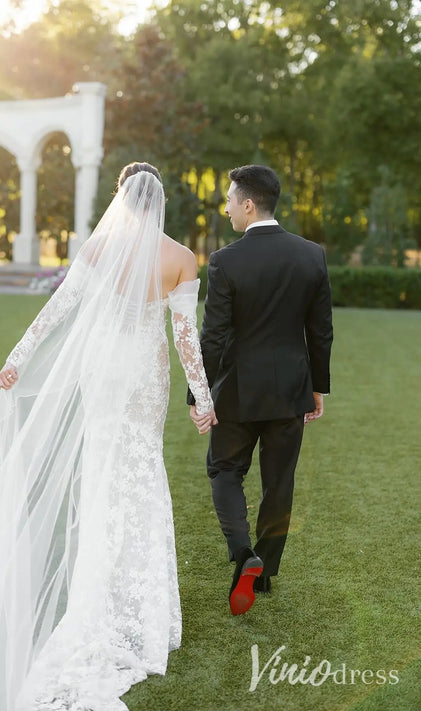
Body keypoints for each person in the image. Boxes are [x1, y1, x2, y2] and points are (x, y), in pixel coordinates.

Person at [0, 163, 216, 711]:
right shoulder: (180, 258)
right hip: (144, 377)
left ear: (121, 199)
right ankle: (144, 606)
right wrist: (204, 399)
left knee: (101, 472)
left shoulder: (99, 249)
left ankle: (96, 592)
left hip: (102, 372)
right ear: (160, 202)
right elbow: (185, 338)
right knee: (143, 471)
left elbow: (57, 308)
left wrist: (17, 357)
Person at [189, 164, 333, 616]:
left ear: (248, 204)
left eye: (230, 200)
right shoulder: (311, 256)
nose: (227, 208)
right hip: (291, 388)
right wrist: (318, 387)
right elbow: (321, 331)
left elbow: (213, 336)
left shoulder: (225, 260)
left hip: (237, 391)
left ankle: (242, 554)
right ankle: (264, 572)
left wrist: (199, 395)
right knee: (279, 481)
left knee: (224, 471)